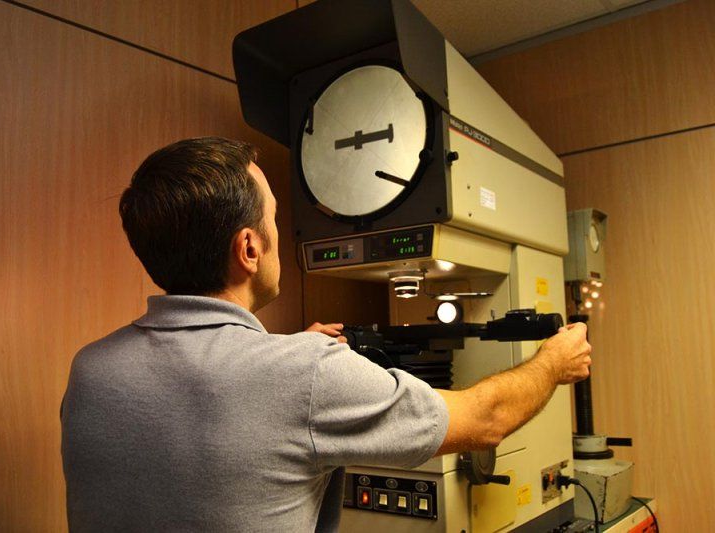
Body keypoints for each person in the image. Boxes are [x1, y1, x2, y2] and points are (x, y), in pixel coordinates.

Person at [61, 137, 592, 532]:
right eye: (273, 215)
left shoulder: (91, 369)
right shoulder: (303, 371)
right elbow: (486, 419)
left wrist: (288, 358)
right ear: (249, 249)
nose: (277, 228)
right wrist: (553, 362)